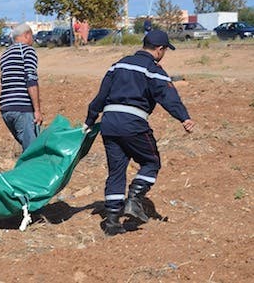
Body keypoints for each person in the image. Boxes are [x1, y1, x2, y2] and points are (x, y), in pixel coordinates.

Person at [83, 30, 195, 236]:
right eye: (165, 50)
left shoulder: (119, 64)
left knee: (116, 171)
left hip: (108, 123)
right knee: (151, 161)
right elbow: (168, 96)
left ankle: (112, 223)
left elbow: (101, 95)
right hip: (132, 123)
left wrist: (90, 120)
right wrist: (184, 118)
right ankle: (134, 199)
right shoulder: (153, 69)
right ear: (160, 50)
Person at [0, 23, 43, 152]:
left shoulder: (5, 55)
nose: (33, 40)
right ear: (26, 35)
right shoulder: (27, 51)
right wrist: (37, 110)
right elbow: (31, 79)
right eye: (32, 36)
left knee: (26, 148)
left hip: (6, 108)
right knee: (32, 153)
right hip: (22, 108)